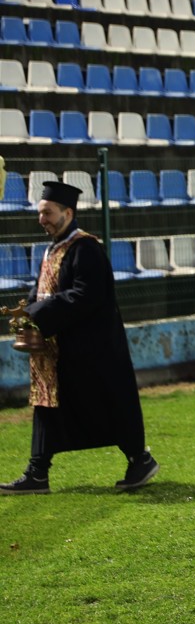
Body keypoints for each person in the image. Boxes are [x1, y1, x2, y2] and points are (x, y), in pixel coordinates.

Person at [1, 182, 158, 494]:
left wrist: (39, 312)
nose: (42, 219)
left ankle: (139, 460)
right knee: (46, 405)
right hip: (58, 349)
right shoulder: (53, 248)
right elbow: (43, 288)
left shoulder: (86, 248)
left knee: (109, 404)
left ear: (68, 213)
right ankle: (37, 472)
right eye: (40, 213)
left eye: (48, 213)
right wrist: (27, 313)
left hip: (92, 350)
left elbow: (86, 294)